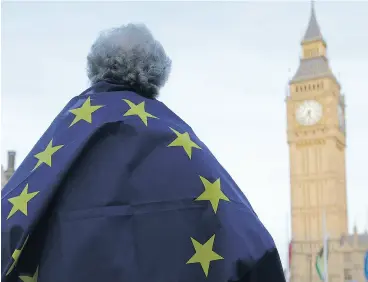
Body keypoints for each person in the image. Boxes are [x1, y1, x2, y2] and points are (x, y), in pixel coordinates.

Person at [1, 23, 286, 282]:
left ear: (95, 67)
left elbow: (11, 220)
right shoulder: (181, 143)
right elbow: (250, 242)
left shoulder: (67, 133)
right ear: (156, 74)